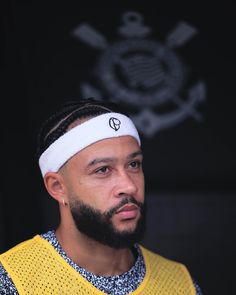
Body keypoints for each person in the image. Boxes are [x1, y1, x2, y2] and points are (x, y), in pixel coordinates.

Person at [0, 98, 203, 294]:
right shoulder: (13, 280)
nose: (129, 186)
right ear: (57, 187)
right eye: (103, 170)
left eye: (134, 164)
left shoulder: (181, 283)